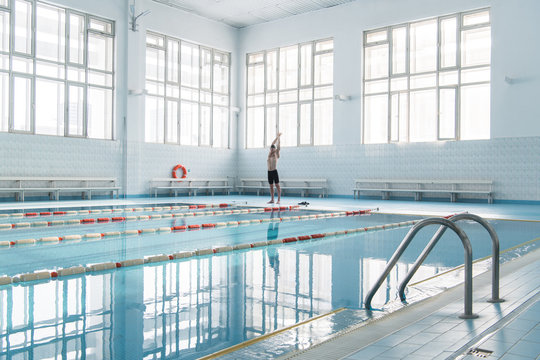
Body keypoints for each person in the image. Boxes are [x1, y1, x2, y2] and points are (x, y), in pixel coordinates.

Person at [267, 133, 282, 204]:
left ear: (275, 149)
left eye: (273, 147)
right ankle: (272, 199)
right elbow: (273, 143)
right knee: (271, 186)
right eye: (271, 147)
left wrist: (279, 138)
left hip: (274, 171)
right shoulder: (269, 154)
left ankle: (278, 199)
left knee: (277, 185)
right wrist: (276, 137)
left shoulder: (276, 154)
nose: (272, 148)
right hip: (269, 172)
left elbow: (278, 146)